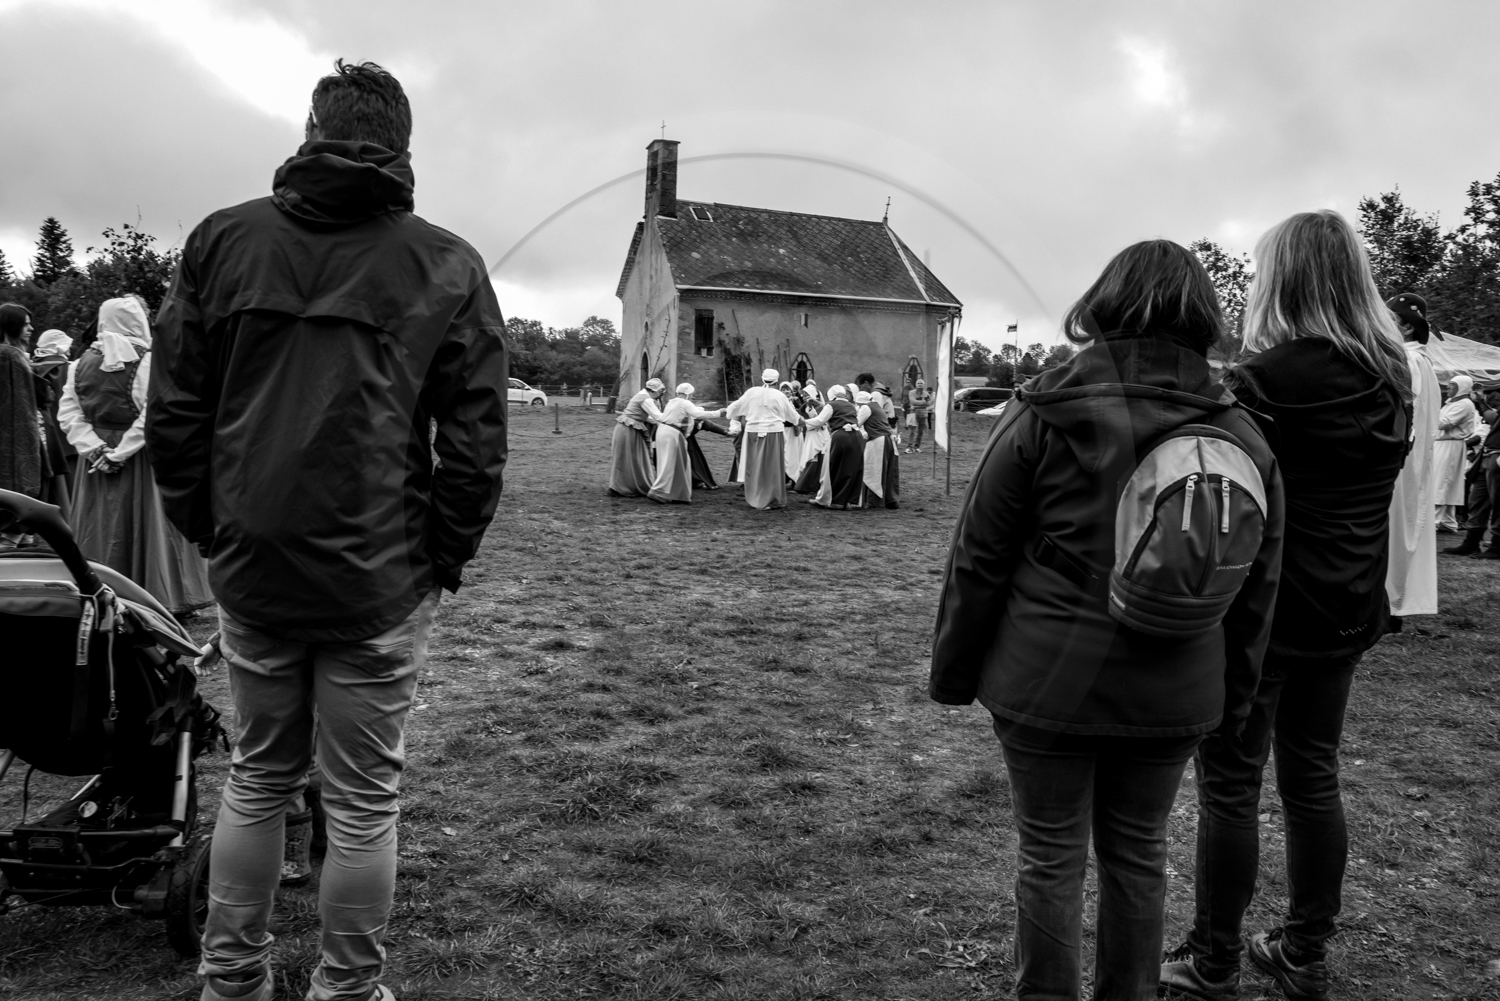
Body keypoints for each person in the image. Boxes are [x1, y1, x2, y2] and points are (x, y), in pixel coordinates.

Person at [146, 60, 508, 1001]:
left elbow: (175, 410)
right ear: (403, 145)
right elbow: (474, 444)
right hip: (372, 571)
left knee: (262, 774)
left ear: (311, 129)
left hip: (268, 558)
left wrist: (211, 527)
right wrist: (441, 556)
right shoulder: (445, 262)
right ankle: (342, 988)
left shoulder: (223, 242)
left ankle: (234, 980)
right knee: (360, 796)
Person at [931, 239, 1284, 1001]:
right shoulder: (1245, 434)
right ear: (1203, 318)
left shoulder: (1042, 413)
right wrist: (1238, 703)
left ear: (1101, 304)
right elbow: (1258, 589)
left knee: (1050, 854)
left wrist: (955, 672)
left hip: (1045, 676)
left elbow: (980, 555)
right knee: (1138, 854)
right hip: (1175, 684)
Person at [1162, 210, 1412, 1001]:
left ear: (1285, 278)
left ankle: (1214, 956)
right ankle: (1304, 949)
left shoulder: (1263, 383)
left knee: (1231, 787)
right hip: (1347, 604)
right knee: (1314, 777)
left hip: (1265, 614)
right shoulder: (1393, 376)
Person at [55, 297, 213, 614]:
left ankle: (104, 592)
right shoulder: (149, 363)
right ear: (137, 321)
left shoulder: (77, 366)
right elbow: (152, 415)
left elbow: (69, 416)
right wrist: (120, 452)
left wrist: (96, 449)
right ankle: (162, 597)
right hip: (141, 457)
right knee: (151, 524)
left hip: (96, 462)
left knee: (101, 527)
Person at [1384, 293, 1441, 622]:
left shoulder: (1410, 361)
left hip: (1402, 457)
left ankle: (1392, 602)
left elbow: (1409, 412)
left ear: (1406, 328)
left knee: (1398, 525)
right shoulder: (1412, 359)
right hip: (1408, 455)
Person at [726, 368, 805, 510]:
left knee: (754, 466)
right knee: (772, 467)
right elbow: (793, 416)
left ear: (762, 379)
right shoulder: (779, 396)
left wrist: (731, 415)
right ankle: (772, 499)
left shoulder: (751, 392)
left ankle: (756, 497)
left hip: (753, 433)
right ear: (777, 380)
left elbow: (733, 409)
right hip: (773, 433)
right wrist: (802, 421)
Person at [0, 303, 45, 549]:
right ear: (12, 325)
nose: (31, 328)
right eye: (26, 324)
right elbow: (25, 406)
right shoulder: (12, 356)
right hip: (18, 436)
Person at [1446, 385, 1500, 558]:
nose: (1492, 395)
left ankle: (1497, 547)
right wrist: (1481, 402)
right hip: (1488, 457)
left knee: (1499, 502)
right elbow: (1492, 417)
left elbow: (1491, 417)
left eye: (1495, 393)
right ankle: (1471, 543)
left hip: (1497, 458)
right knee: (1477, 500)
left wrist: (1481, 402)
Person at [648, 383, 724, 503]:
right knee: (670, 464)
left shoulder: (672, 402)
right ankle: (657, 491)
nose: (692, 396)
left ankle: (679, 494)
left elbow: (690, 413)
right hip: (672, 433)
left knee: (681, 463)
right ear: (688, 393)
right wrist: (719, 413)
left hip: (664, 431)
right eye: (692, 394)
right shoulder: (684, 403)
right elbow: (697, 414)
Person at [31, 328, 74, 520]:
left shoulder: (29, 367)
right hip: (71, 437)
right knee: (70, 493)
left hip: (43, 434)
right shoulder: (71, 368)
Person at [1433, 375, 1478, 531]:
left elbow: (1444, 423)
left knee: (1442, 481)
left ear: (1462, 387)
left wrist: (1427, 412)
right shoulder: (1453, 403)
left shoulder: (1464, 404)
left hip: (1450, 445)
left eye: (1452, 385)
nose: (1447, 388)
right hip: (1443, 444)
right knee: (1445, 481)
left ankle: (1435, 520)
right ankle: (1448, 521)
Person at [810, 384, 866, 508]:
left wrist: (803, 423)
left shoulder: (832, 405)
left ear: (832, 396)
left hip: (840, 436)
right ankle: (850, 501)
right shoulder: (852, 406)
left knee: (831, 468)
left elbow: (819, 420)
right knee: (851, 469)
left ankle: (829, 500)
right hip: (856, 437)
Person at [609, 378, 666, 497]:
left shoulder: (642, 395)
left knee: (635, 458)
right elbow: (658, 416)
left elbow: (647, 417)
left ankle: (627, 485)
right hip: (628, 430)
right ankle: (618, 487)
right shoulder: (646, 400)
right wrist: (673, 419)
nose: (660, 394)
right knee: (626, 459)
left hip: (630, 429)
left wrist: (659, 424)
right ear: (654, 390)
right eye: (660, 391)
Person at [856, 389, 899, 509]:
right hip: (887, 440)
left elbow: (857, 423)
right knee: (887, 471)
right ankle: (890, 499)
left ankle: (874, 502)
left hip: (877, 440)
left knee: (874, 471)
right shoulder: (878, 407)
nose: (858, 406)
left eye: (858, 404)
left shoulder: (866, 408)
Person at [792, 382, 831, 493]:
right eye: (803, 395)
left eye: (806, 394)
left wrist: (812, 415)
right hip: (811, 434)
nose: (804, 397)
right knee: (809, 457)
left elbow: (822, 422)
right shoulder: (804, 407)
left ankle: (810, 485)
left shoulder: (821, 407)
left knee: (815, 457)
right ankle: (804, 484)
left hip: (819, 434)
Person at [905, 378, 932, 454]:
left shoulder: (926, 394)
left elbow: (929, 403)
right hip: (913, 414)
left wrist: (918, 404)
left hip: (923, 415)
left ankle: (917, 447)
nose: (920, 384)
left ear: (923, 385)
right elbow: (913, 401)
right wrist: (923, 402)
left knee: (920, 432)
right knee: (912, 431)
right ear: (916, 384)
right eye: (918, 383)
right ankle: (909, 447)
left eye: (921, 383)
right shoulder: (911, 392)